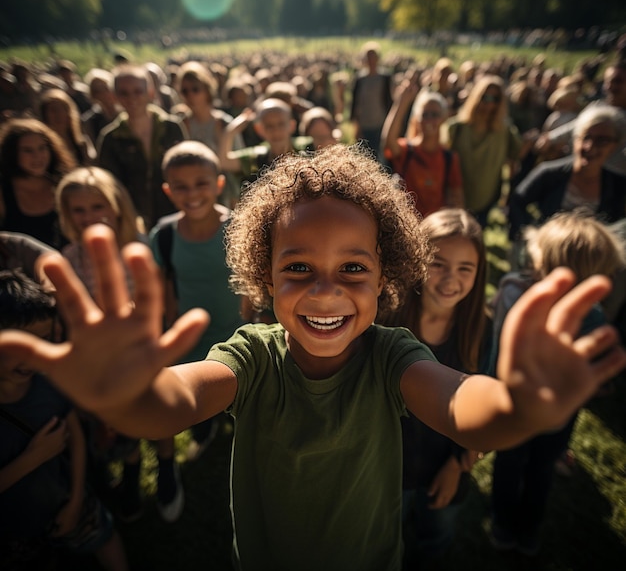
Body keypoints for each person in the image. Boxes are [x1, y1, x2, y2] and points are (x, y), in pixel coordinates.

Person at [0, 144, 624, 571]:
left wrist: (515, 408)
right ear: (264, 280)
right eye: (298, 268)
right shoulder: (253, 355)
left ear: (386, 279)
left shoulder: (390, 355)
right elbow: (178, 400)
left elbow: (463, 404)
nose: (325, 290)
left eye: (352, 268)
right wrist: (128, 398)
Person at [487, 211, 625, 557]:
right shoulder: (592, 315)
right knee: (541, 469)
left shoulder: (514, 292)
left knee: (509, 463)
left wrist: (488, 387)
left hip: (510, 406)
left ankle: (503, 527)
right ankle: (528, 532)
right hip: (560, 417)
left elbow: (496, 348)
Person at [55, 165, 184, 523]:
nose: (89, 218)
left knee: (160, 412)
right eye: (78, 210)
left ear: (117, 207)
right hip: (103, 359)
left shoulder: (141, 247)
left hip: (147, 348)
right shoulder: (70, 257)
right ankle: (131, 473)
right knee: (123, 419)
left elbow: (161, 297)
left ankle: (167, 467)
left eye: (98, 207)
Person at [377, 208, 491, 568]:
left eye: (465, 268)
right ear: (416, 260)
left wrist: (458, 466)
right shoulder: (385, 315)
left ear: (480, 272)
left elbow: (481, 409)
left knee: (434, 541)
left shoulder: (481, 328)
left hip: (443, 465)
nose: (450, 279)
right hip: (383, 468)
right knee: (380, 544)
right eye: (438, 263)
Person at [0, 268, 128, 571]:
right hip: (12, 530)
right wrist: (34, 457)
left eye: (42, 340)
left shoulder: (50, 382)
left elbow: (76, 437)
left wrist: (73, 503)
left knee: (102, 538)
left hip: (67, 501)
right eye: (18, 344)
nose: (32, 355)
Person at [150, 142, 245, 460]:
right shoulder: (163, 236)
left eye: (201, 184)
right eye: (181, 187)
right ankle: (204, 431)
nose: (192, 194)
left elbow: (251, 283)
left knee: (240, 401)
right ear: (167, 190)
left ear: (219, 183)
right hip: (191, 343)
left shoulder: (238, 229)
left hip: (236, 337)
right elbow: (166, 288)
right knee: (200, 404)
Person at [507, 104, 626, 246]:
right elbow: (517, 201)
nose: (590, 146)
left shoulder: (619, 186)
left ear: (615, 145)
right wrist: (531, 236)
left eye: (602, 140)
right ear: (575, 139)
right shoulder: (549, 173)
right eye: (586, 137)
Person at [97, 63, 187, 230]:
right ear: (114, 96)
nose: (132, 98)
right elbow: (111, 185)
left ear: (150, 93)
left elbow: (187, 169)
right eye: (124, 93)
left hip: (177, 214)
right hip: (133, 220)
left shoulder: (171, 128)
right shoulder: (110, 138)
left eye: (138, 91)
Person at [442, 74, 532, 226]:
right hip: (455, 199)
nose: (489, 104)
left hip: (486, 200)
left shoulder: (505, 131)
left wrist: (531, 141)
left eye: (495, 99)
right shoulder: (455, 128)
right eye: (485, 97)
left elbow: (517, 154)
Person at [382, 74, 464, 217]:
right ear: (417, 119)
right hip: (407, 224)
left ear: (444, 118)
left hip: (434, 227)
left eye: (435, 114)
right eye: (425, 115)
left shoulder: (449, 158)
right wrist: (401, 102)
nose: (430, 120)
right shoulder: (407, 150)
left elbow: (456, 196)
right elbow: (388, 142)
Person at [0, 117, 76, 249]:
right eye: (28, 150)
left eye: (42, 148)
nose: (38, 156)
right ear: (12, 153)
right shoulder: (3, 193)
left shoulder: (65, 185)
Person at [217, 97, 311, 200]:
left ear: (292, 125)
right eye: (269, 126)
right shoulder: (256, 158)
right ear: (259, 129)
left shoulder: (309, 149)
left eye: (281, 124)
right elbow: (224, 161)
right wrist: (230, 131)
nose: (276, 131)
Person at [349, 41, 394, 167]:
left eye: (373, 56)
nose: (371, 60)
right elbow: (356, 103)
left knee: (381, 157)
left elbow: (389, 101)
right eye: (368, 57)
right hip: (364, 124)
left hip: (381, 123)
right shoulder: (360, 79)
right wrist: (356, 125)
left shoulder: (385, 77)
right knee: (365, 157)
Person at [38, 87, 97, 165]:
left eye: (62, 109)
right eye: (53, 110)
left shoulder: (81, 144)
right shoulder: (43, 147)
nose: (58, 114)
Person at [81, 68, 122, 146]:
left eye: (105, 88)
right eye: (97, 91)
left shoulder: (126, 112)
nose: (103, 94)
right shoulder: (90, 121)